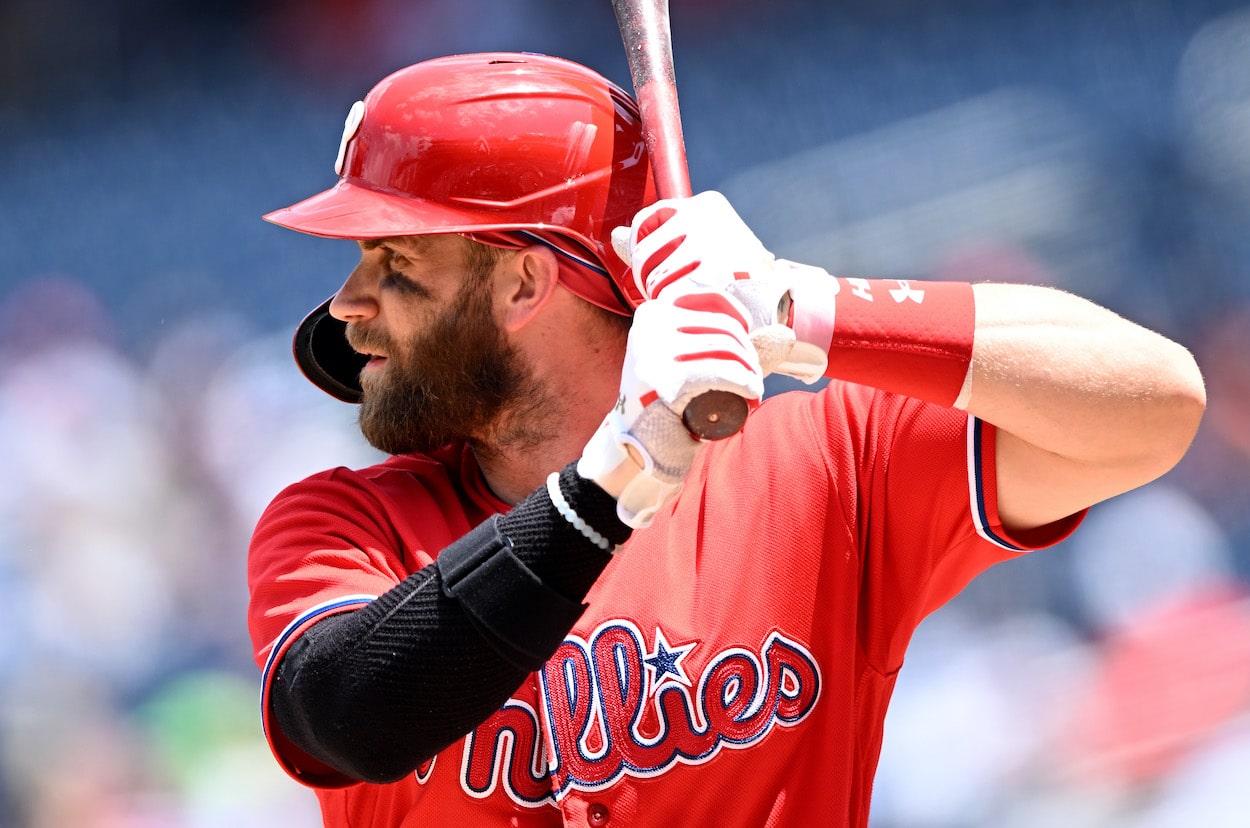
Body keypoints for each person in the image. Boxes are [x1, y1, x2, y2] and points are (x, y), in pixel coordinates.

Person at [246, 52, 1206, 827]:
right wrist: (614, 478)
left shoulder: (823, 467)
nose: (347, 307)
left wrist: (807, 309)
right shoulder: (343, 522)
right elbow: (349, 716)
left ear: (524, 286)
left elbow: (1155, 404)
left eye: (396, 262)